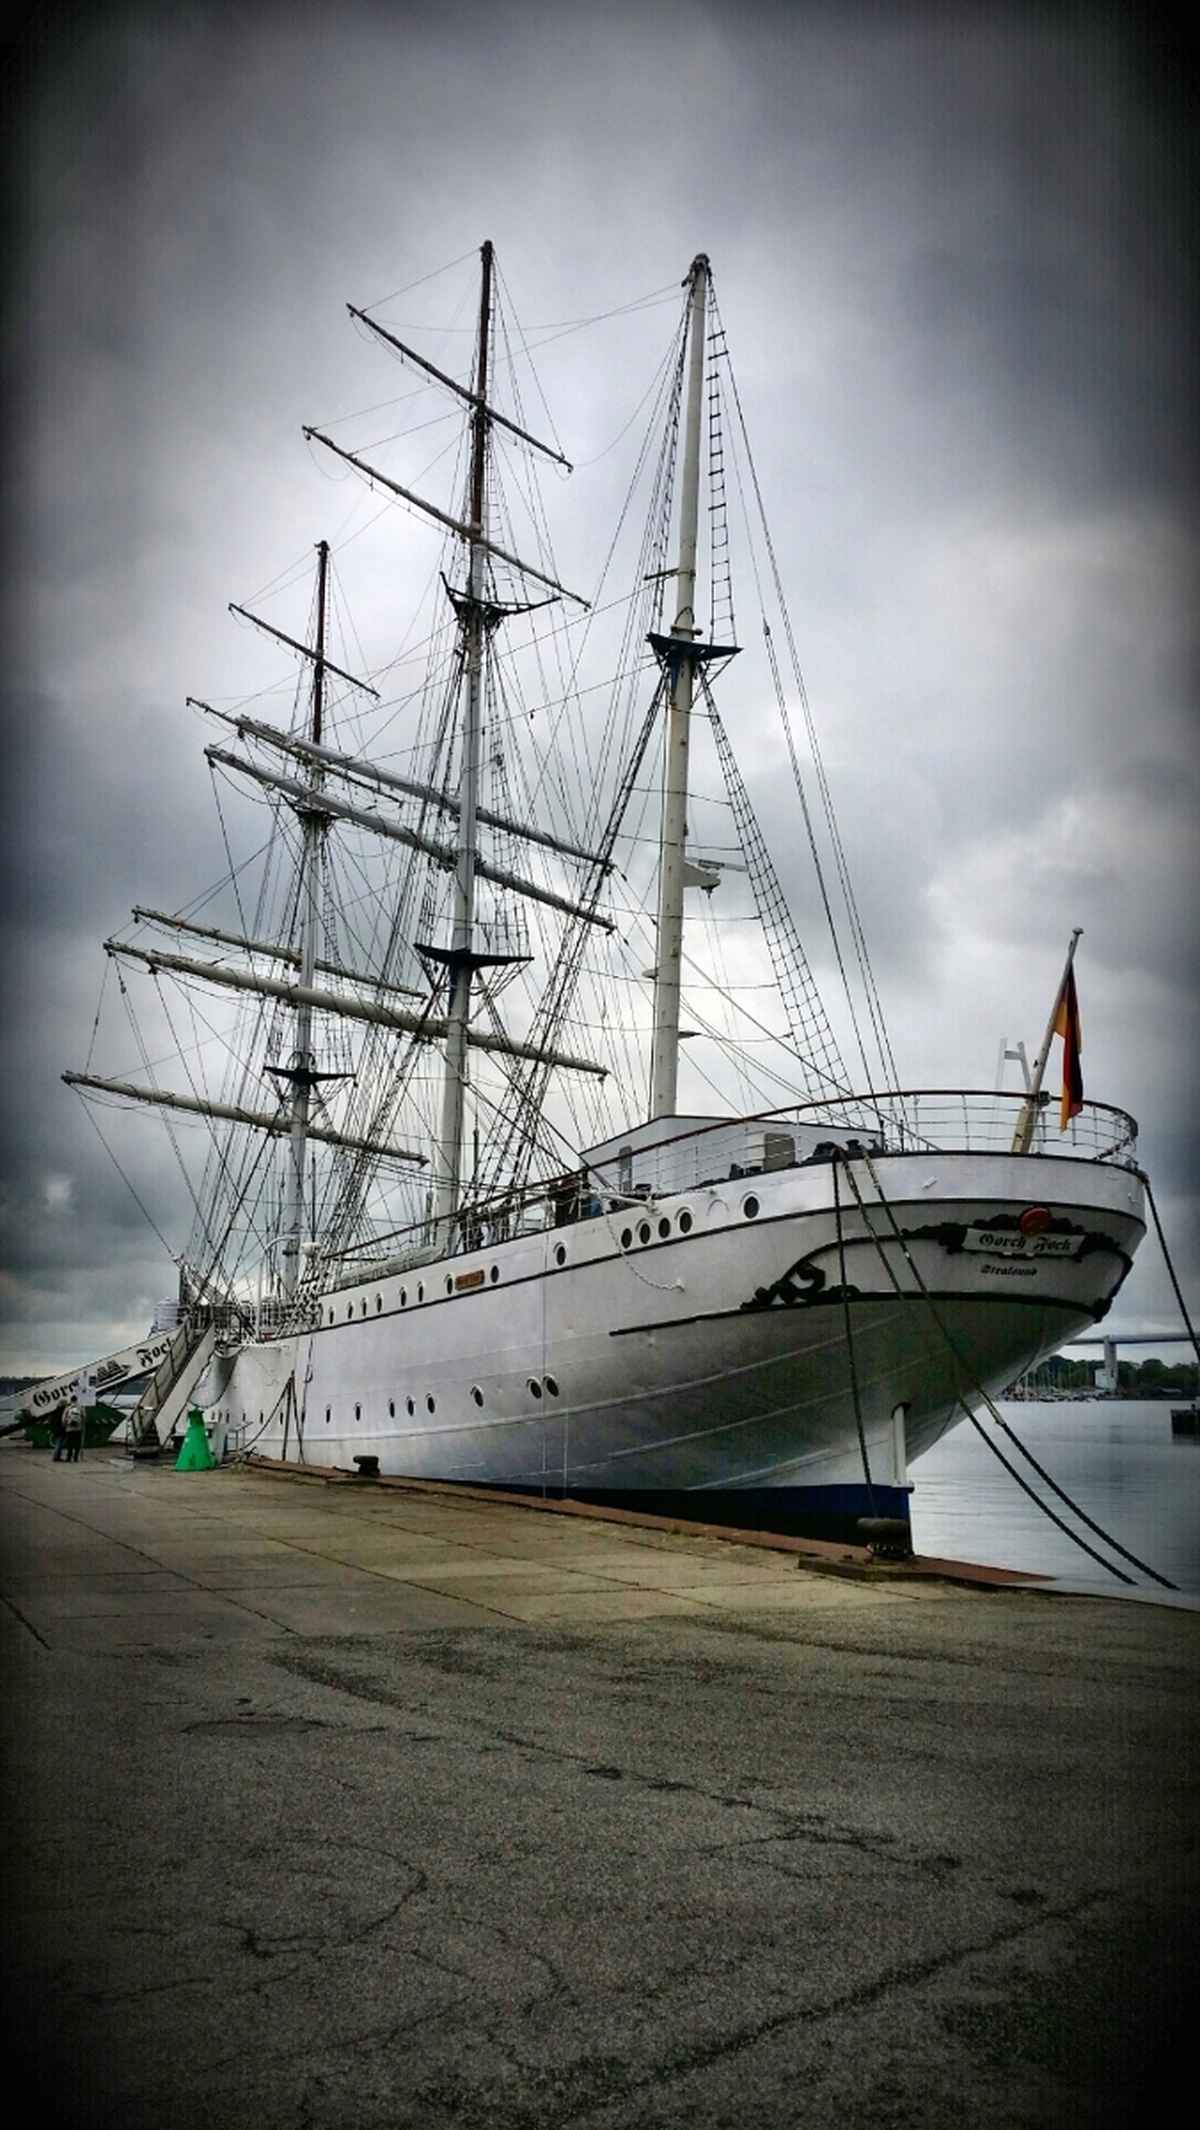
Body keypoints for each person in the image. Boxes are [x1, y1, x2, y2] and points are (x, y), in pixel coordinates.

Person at [61, 1392, 84, 1463]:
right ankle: (76, 1458)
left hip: (69, 1429)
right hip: (78, 1429)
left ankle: (68, 1458)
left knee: (69, 1443)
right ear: (77, 1400)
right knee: (77, 1444)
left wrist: (65, 1425)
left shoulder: (68, 1408)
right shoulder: (80, 1408)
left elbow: (63, 1418)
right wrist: (81, 1425)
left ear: (71, 1400)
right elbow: (84, 1417)